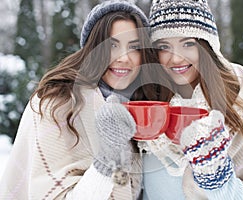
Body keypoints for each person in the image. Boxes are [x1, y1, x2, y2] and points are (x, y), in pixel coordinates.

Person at [0, 1, 171, 199]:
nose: (124, 58)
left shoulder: (140, 106)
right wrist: (107, 160)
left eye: (134, 47)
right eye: (112, 45)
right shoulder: (56, 105)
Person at [139, 0, 243, 199]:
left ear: (207, 46)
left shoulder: (238, 104)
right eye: (164, 46)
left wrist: (216, 178)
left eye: (188, 43)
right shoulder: (151, 104)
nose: (176, 58)